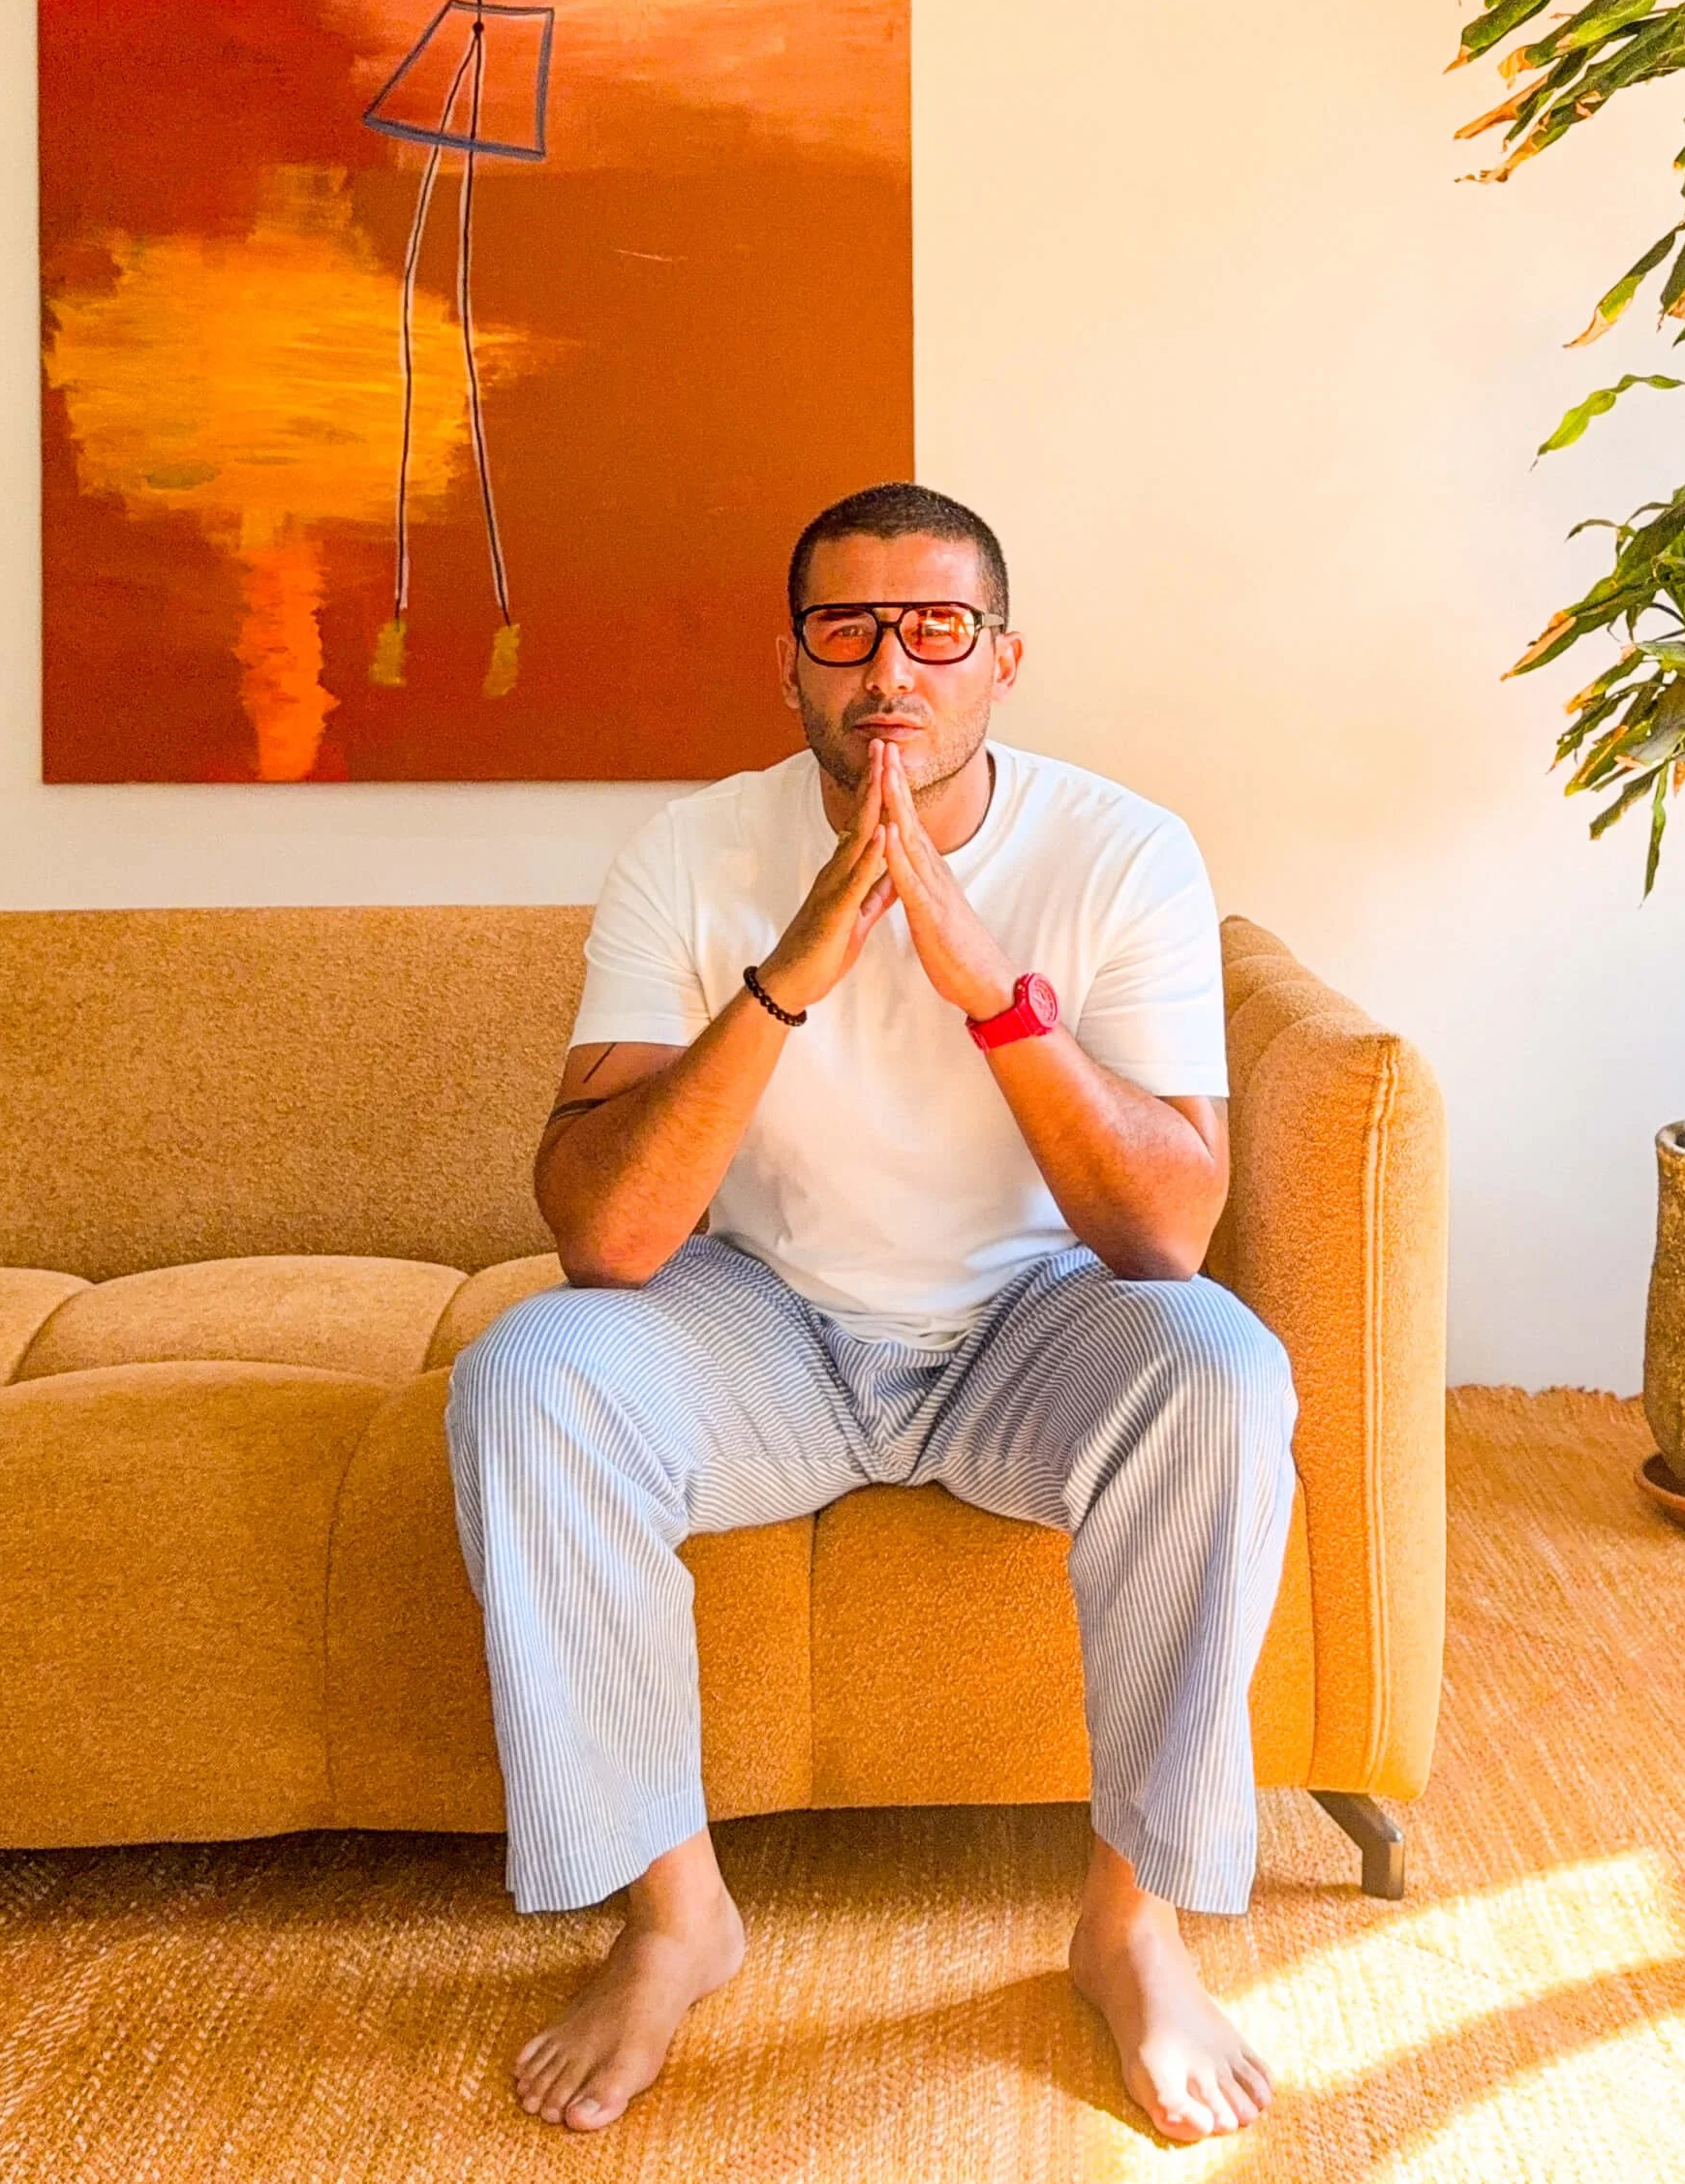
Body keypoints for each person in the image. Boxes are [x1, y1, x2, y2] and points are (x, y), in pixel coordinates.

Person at [446, 481, 1297, 2141]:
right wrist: (790, 976)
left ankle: (1132, 1925)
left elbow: (1164, 1230)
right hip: (762, 1318)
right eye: (848, 629)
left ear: (1002, 656)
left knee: (1218, 1365)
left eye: (935, 628)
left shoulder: (1122, 849)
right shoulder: (689, 852)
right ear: (792, 666)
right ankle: (675, 1916)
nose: (889, 668)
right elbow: (608, 1235)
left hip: (1031, 1325)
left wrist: (992, 990)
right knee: (528, 1374)